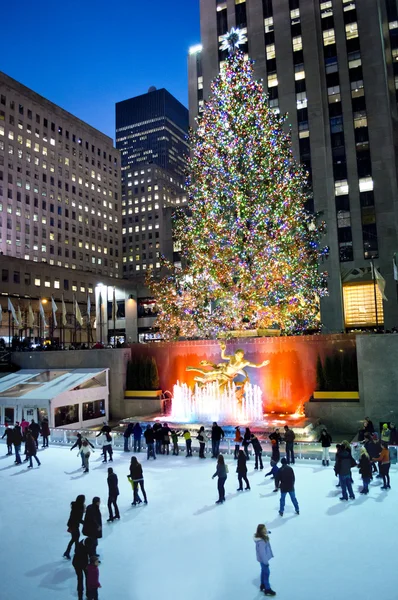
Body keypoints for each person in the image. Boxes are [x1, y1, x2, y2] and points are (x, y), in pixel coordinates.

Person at [254, 524, 275, 596]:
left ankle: (262, 584)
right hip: (263, 560)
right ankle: (267, 589)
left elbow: (265, 533)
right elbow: (262, 553)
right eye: (264, 529)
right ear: (261, 531)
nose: (265, 530)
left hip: (261, 559)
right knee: (267, 573)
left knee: (263, 571)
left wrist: (268, 532)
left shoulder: (260, 536)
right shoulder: (261, 542)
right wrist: (266, 562)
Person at [64, 495, 86, 559]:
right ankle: (76, 551)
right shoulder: (79, 508)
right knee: (75, 538)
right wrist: (84, 522)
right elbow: (78, 518)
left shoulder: (75, 505)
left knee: (74, 538)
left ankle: (69, 551)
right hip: (74, 525)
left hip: (72, 524)